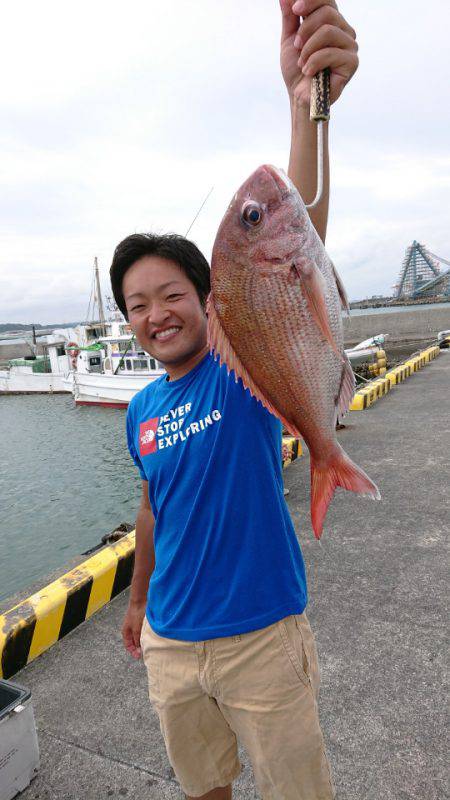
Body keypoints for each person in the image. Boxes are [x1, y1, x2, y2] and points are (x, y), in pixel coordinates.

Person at [110, 1, 358, 797]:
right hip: (172, 641)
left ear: (210, 298)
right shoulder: (141, 410)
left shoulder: (238, 367)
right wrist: (140, 600)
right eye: (138, 304)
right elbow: (154, 509)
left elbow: (297, 231)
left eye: (172, 294)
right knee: (203, 786)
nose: (156, 315)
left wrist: (306, 104)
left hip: (262, 636)